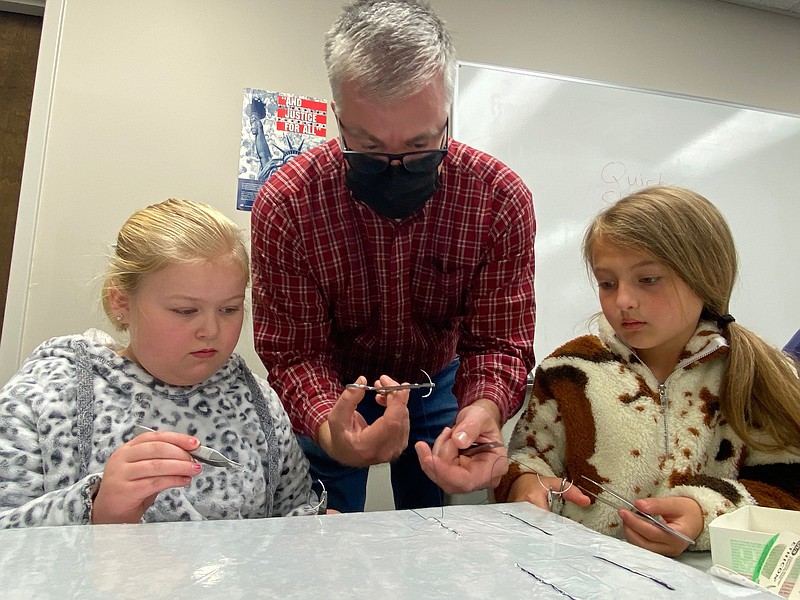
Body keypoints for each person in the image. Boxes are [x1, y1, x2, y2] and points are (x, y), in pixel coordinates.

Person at [250, 0, 536, 512]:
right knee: (322, 526)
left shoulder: (498, 200)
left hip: (435, 380)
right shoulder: (287, 205)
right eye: (368, 145)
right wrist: (329, 429)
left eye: (422, 145)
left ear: (447, 112)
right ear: (337, 116)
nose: (397, 166)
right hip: (333, 385)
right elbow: (295, 352)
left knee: (435, 527)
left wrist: (484, 409)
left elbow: (498, 341)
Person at [495, 185, 800, 557]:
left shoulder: (756, 376)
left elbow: (788, 496)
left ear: (705, 277)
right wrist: (523, 483)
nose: (622, 300)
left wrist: (703, 516)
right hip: (581, 578)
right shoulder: (568, 371)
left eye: (648, 279)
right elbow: (527, 459)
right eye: (607, 283)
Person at [0, 198, 320, 528]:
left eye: (229, 309)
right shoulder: (46, 396)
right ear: (120, 300)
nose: (211, 331)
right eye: (185, 311)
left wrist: (316, 527)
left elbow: (292, 508)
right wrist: (97, 510)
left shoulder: (255, 398)